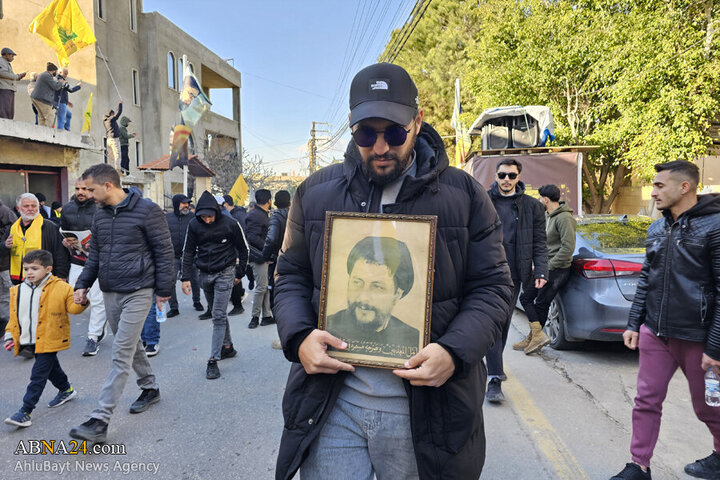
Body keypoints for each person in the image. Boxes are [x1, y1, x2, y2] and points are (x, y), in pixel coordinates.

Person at [274, 62, 512, 480]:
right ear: (351, 128)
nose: (380, 147)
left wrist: (454, 352)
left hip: (426, 413)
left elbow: (493, 287)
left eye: (394, 133)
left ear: (417, 122)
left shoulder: (465, 196)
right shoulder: (314, 193)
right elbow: (290, 276)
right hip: (332, 409)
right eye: (367, 133)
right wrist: (299, 338)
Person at [610, 160, 720, 480]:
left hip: (699, 336)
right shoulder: (656, 227)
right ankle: (638, 465)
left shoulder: (715, 226)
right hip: (656, 332)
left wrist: (715, 347)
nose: (653, 191)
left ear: (684, 187)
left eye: (660, 185)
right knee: (646, 400)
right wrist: (634, 323)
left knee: (708, 407)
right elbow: (648, 277)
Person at [68, 164, 174, 444]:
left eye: (90, 189)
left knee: (121, 352)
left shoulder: (147, 210)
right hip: (110, 289)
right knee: (131, 345)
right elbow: (96, 255)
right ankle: (150, 388)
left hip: (140, 289)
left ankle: (99, 420)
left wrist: (164, 289)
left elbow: (164, 250)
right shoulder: (100, 215)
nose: (87, 194)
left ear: (108, 186)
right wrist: (82, 285)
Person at [485, 158, 548, 403]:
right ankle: (494, 378)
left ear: (518, 177)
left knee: (502, 325)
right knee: (492, 323)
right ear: (496, 176)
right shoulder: (484, 200)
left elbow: (540, 243)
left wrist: (541, 271)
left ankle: (493, 368)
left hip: (514, 275)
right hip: (487, 274)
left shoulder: (532, 207)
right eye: (502, 175)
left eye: (511, 175)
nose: (507, 180)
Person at [3, 250, 88, 428]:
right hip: (30, 339)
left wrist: (81, 301)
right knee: (51, 369)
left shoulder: (61, 287)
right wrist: (11, 336)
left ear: (48, 269)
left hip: (50, 337)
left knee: (38, 375)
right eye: (26, 269)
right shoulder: (17, 290)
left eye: (34, 268)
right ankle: (66, 389)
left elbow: (73, 308)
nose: (29, 272)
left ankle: (25, 411)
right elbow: (14, 317)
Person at [181, 191, 248, 380]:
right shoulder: (194, 225)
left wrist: (240, 272)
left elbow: (244, 249)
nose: (207, 220)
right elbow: (188, 251)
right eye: (203, 217)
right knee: (217, 312)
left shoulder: (230, 224)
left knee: (217, 315)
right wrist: (185, 277)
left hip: (225, 271)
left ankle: (213, 360)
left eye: (210, 216)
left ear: (216, 212)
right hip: (204, 274)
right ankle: (228, 346)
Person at [326, 236, 419, 354]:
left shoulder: (414, 340)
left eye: (377, 287)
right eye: (357, 282)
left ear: (397, 295)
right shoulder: (327, 328)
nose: (363, 297)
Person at [513, 184, 576, 355]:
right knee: (538, 303)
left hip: (557, 270)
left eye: (541, 198)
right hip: (548, 268)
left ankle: (537, 336)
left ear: (546, 199)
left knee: (529, 300)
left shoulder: (564, 218)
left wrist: (547, 266)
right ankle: (534, 337)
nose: (540, 200)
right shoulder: (550, 216)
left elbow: (567, 248)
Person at [61, 178, 107, 357]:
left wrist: (95, 243)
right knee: (76, 298)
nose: (81, 192)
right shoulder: (67, 208)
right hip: (77, 260)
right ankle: (99, 324)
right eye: (78, 188)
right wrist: (65, 241)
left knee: (97, 299)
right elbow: (63, 231)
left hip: (98, 260)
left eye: (85, 189)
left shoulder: (101, 208)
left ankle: (93, 337)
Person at [0, 193, 69, 285]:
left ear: (39, 208)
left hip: (45, 279)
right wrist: (5, 245)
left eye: (33, 206)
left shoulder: (50, 227)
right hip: (18, 280)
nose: (30, 209)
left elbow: (60, 254)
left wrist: (62, 277)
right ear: (18, 208)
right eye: (26, 206)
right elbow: (2, 248)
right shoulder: (13, 228)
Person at [166, 194, 203, 317]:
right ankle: (174, 307)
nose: (186, 206)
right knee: (170, 281)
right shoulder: (167, 218)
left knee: (195, 279)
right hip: (173, 256)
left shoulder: (194, 218)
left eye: (188, 203)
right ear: (177, 204)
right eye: (184, 203)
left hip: (190, 255)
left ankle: (197, 301)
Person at [246, 189, 273, 329]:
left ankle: (267, 315)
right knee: (261, 287)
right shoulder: (256, 215)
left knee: (265, 287)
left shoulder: (260, 214)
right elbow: (252, 237)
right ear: (269, 200)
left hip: (262, 256)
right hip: (258, 257)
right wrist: (267, 248)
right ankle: (255, 317)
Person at [262, 190, 291, 310]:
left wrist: (265, 256)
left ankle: (277, 312)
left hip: (277, 258)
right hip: (294, 256)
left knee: (275, 286)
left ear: (275, 202)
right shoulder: (295, 215)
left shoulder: (276, 217)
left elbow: (271, 239)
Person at [224, 194, 249, 316]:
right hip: (237, 251)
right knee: (235, 277)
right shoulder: (238, 214)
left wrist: (238, 253)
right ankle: (238, 298)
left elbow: (241, 236)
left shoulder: (235, 217)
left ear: (225, 204)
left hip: (237, 251)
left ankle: (238, 304)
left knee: (235, 278)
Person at [0, 200, 17, 338]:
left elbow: (13, 232)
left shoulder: (4, 211)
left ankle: (10, 330)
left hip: (4, 264)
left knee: (6, 297)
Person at [30, 63, 64, 128]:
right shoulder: (47, 76)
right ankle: (49, 133)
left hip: (36, 98)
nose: (56, 73)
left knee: (42, 117)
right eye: (56, 72)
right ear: (53, 70)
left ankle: (41, 131)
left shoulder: (44, 75)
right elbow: (56, 87)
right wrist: (60, 82)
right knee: (50, 116)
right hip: (42, 99)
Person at [0, 47, 27, 119]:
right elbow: (2, 73)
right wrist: (16, 76)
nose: (13, 58)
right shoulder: (1, 61)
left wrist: (19, 77)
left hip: (9, 89)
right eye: (12, 56)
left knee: (9, 111)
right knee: (4, 111)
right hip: (4, 89)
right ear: (6, 55)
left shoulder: (6, 63)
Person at [53, 67, 81, 131]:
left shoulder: (60, 79)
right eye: (65, 73)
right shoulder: (59, 79)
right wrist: (78, 86)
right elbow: (70, 89)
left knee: (68, 115)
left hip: (62, 101)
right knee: (61, 119)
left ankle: (67, 130)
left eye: (67, 74)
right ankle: (60, 133)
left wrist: (67, 102)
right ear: (60, 72)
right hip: (60, 102)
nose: (66, 75)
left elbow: (61, 91)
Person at [103, 101, 123, 170]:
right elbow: (118, 113)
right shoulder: (111, 119)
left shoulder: (105, 120)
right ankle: (118, 170)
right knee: (117, 154)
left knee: (110, 156)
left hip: (109, 139)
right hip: (114, 139)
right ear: (111, 114)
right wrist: (120, 104)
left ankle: (110, 170)